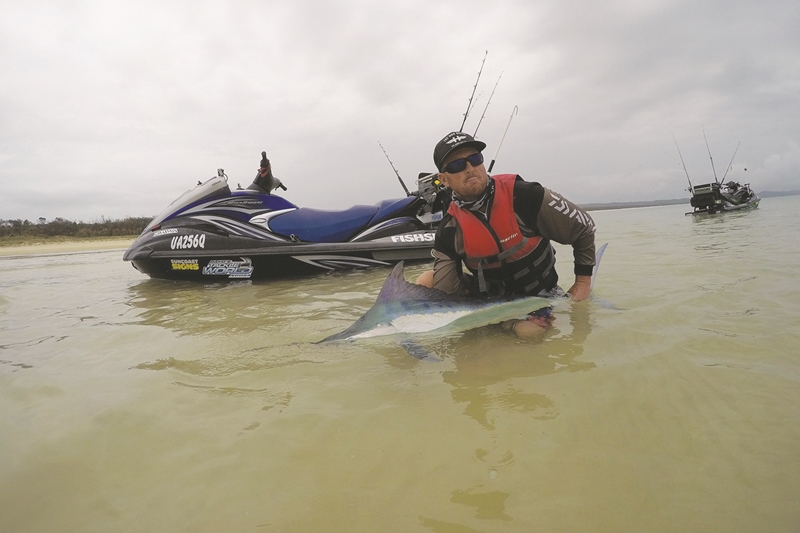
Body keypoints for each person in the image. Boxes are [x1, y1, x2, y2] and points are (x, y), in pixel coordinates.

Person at [417, 131, 597, 337]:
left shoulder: (526, 196)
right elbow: (445, 297)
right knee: (426, 281)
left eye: (475, 159)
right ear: (443, 179)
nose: (469, 168)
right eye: (457, 165)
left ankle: (506, 326)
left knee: (527, 332)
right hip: (489, 300)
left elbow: (585, 227)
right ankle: (493, 326)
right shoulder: (448, 230)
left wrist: (583, 284)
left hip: (539, 296)